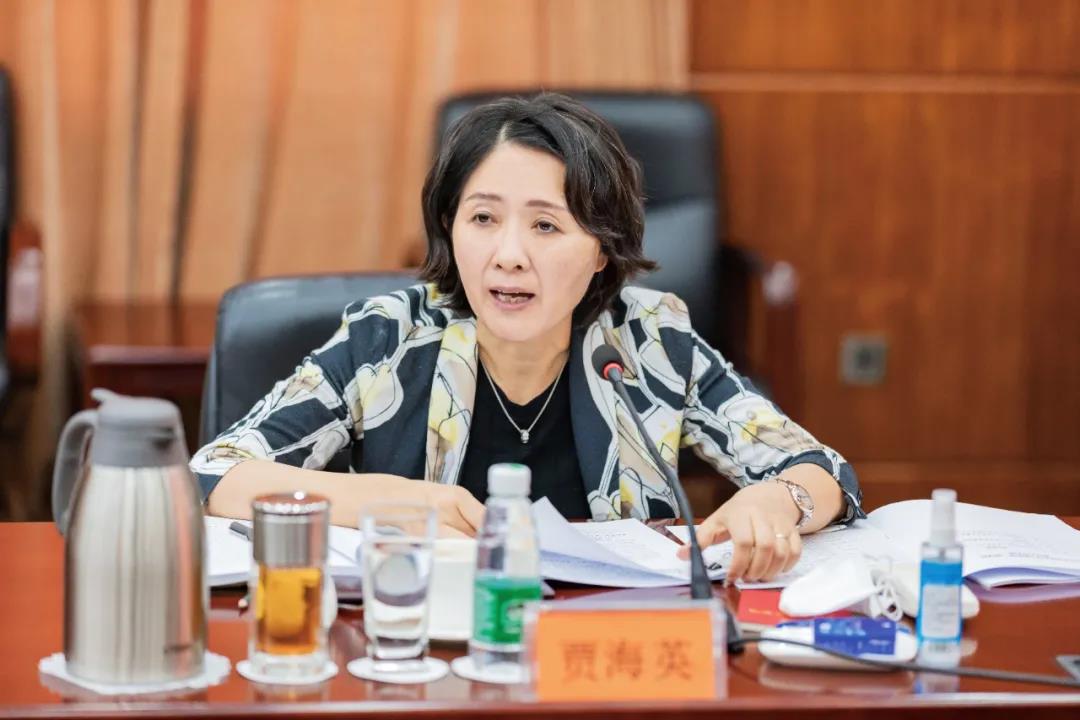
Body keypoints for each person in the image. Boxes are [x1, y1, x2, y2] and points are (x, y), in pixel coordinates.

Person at [190, 93, 863, 583]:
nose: (508, 256)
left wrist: (778, 500)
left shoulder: (650, 338)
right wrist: (391, 503)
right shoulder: (389, 335)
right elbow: (212, 474)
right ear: (450, 227)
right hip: (422, 647)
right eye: (483, 219)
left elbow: (826, 472)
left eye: (546, 226)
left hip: (601, 653)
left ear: (602, 249)